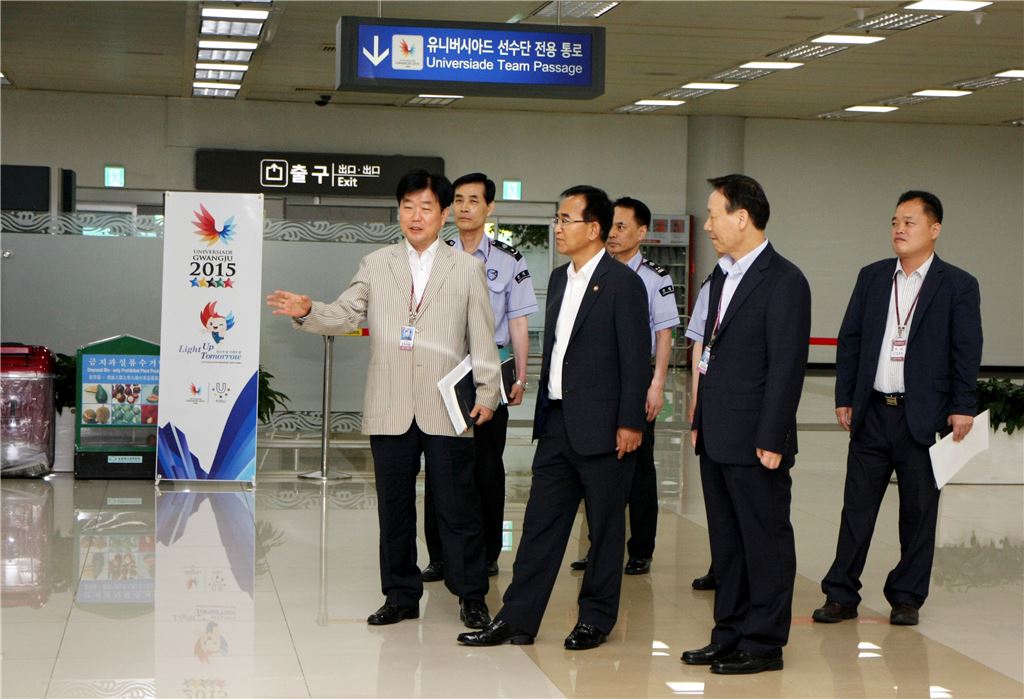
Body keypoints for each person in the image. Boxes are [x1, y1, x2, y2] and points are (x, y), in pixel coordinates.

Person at [266, 170, 500, 630]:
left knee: (458, 508)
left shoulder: (466, 269)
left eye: (426, 207)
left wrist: (488, 391)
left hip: (446, 405)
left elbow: (482, 335)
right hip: (390, 405)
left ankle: (471, 594)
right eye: (407, 206)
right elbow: (346, 313)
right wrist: (310, 311)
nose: (416, 216)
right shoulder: (376, 264)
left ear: (443, 215)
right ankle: (400, 594)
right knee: (394, 508)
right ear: (398, 212)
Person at [457, 185, 649, 650]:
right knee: (540, 526)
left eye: (566, 219)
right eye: (557, 218)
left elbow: (635, 359)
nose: (558, 228)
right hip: (559, 424)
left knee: (605, 530)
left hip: (607, 429)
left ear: (594, 228)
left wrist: (630, 423)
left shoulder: (624, 284)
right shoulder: (561, 278)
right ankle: (517, 618)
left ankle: (595, 619)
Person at [812, 190, 982, 627]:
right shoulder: (872, 277)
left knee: (918, 513)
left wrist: (963, 405)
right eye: (894, 222)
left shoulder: (957, 284)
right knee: (856, 509)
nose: (899, 229)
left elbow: (966, 350)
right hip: (872, 411)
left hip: (923, 417)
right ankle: (841, 593)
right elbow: (850, 340)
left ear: (935, 229)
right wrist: (845, 396)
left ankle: (906, 596)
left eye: (909, 222)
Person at [681, 174, 811, 675]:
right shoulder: (720, 277)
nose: (708, 225)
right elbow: (709, 353)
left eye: (714, 215)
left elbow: (785, 367)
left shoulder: (784, 280)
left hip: (757, 439)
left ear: (742, 218)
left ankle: (763, 643)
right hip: (717, 434)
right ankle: (729, 632)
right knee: (728, 544)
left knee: (765, 543)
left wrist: (772, 436)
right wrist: (699, 419)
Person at [421, 172, 538, 583]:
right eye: (458, 200)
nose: (465, 207)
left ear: (490, 207)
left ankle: (487, 552)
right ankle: (439, 556)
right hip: (443, 371)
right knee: (440, 464)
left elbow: (519, 323)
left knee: (486, 465)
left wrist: (520, 377)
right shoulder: (436, 254)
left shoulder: (509, 259)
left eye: (474, 200)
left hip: (490, 369)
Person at [569, 196, 680, 576]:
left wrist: (657, 384)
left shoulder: (654, 277)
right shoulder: (592, 270)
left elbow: (663, 334)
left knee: (639, 468)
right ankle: (598, 546)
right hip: (598, 382)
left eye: (621, 227)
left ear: (641, 232)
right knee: (596, 467)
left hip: (636, 380)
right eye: (611, 226)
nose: (613, 233)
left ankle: (641, 548)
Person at [686, 276, 717, 592]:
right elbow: (699, 343)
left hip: (747, 404)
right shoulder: (712, 284)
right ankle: (721, 564)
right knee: (717, 497)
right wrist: (697, 398)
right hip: (713, 401)